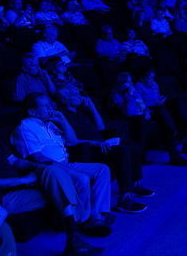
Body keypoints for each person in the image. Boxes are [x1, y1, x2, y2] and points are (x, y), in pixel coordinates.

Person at [0, 109, 106, 255]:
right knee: (59, 185)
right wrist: (21, 180)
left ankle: (74, 237)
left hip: (22, 189)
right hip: (0, 199)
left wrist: (38, 167)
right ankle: (79, 225)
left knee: (51, 169)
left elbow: (15, 161)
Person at [11, 93, 114, 233]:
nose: (50, 107)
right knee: (82, 178)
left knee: (102, 170)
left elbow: (72, 141)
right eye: (45, 105)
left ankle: (96, 217)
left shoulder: (48, 123)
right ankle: (82, 222)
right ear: (32, 111)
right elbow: (38, 159)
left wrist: (63, 120)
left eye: (50, 104)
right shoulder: (25, 128)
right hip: (50, 170)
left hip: (66, 163)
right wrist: (69, 170)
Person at [55, 85, 151, 213]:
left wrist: (92, 107)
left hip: (101, 146)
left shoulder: (83, 110)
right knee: (123, 150)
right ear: (65, 99)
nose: (79, 96)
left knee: (132, 145)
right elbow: (67, 141)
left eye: (79, 93)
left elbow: (100, 127)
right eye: (75, 94)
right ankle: (124, 198)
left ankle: (135, 184)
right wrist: (94, 142)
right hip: (86, 150)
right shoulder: (61, 115)